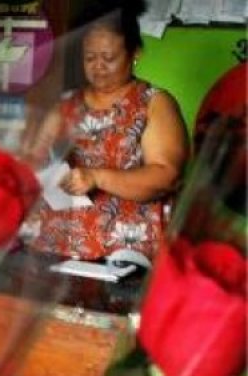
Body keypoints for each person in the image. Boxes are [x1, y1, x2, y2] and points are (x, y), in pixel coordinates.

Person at [23, 1, 188, 261]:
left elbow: (166, 176)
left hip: (127, 253)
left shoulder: (153, 103)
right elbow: (35, 161)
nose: (98, 66)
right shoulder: (66, 105)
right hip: (59, 246)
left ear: (135, 53)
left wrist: (97, 177)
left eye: (109, 58)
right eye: (90, 57)